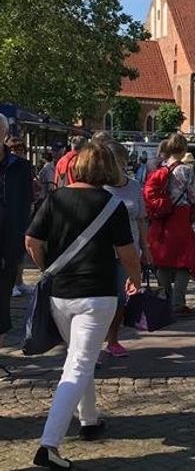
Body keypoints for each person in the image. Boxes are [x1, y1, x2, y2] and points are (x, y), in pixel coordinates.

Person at [25, 141, 141, 469]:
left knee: (78, 356)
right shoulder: (112, 204)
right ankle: (49, 445)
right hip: (97, 293)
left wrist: (46, 266)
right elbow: (127, 253)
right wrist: (134, 278)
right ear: (106, 168)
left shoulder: (54, 199)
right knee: (77, 364)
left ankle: (89, 419)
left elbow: (31, 240)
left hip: (61, 293)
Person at [147, 133, 195, 317]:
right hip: (179, 217)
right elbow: (194, 195)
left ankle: (166, 300)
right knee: (185, 261)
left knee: (163, 260)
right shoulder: (185, 170)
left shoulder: (158, 167)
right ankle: (178, 303)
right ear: (183, 149)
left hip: (160, 217)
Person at [103, 141, 153, 357]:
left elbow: (141, 219)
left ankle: (113, 339)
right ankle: (95, 339)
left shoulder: (133, 186)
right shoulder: (99, 187)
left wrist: (146, 247)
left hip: (128, 251)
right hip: (102, 251)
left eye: (119, 163)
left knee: (122, 298)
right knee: (102, 298)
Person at [0, 115, 32, 347]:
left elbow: (25, 202)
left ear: (3, 134)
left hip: (9, 241)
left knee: (3, 299)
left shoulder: (21, 166)